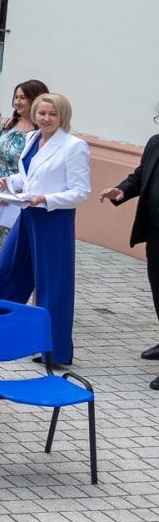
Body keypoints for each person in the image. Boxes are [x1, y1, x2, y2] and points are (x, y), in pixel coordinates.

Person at [0, 92, 91, 364]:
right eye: (42, 113)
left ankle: (53, 351)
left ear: (63, 116)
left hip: (54, 220)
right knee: (6, 271)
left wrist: (45, 199)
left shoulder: (74, 146)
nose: (46, 118)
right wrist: (12, 182)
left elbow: (80, 191)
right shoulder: (32, 138)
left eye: (53, 114)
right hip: (28, 214)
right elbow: (32, 176)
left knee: (52, 284)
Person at [0, 79, 50, 304]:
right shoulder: (6, 125)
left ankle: (21, 297)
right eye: (16, 97)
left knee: (16, 248)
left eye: (23, 98)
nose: (18, 102)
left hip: (22, 198)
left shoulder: (41, 133)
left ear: (36, 100)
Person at [102, 105, 159, 382]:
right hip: (156, 232)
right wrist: (122, 190)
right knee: (158, 290)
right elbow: (140, 175)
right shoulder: (155, 143)